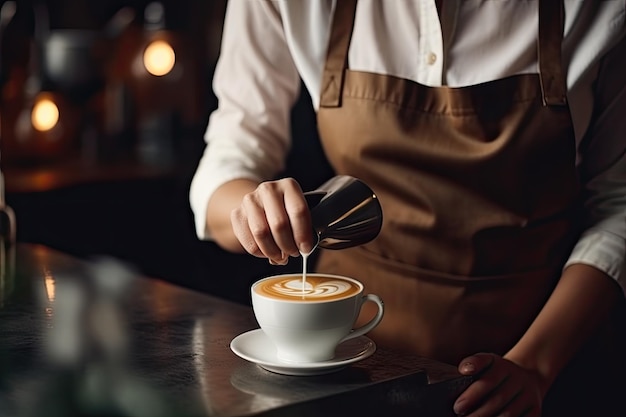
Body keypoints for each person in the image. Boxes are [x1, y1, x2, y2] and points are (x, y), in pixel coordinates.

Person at [190, 1, 626, 416]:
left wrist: (537, 365)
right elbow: (232, 153)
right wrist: (251, 213)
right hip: (350, 368)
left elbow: (619, 203)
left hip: (538, 357)